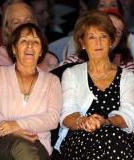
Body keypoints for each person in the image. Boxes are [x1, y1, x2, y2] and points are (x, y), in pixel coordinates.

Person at [54, 10, 134, 159]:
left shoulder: (128, 77)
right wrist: (85, 122)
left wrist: (105, 122)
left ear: (111, 41)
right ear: (82, 42)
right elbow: (67, 115)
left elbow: (129, 116)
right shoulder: (71, 74)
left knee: (114, 138)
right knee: (115, 141)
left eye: (103, 36)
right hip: (79, 138)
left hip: (117, 138)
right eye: (91, 37)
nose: (98, 42)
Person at [0, 23, 62, 160]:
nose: (30, 45)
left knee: (30, 151)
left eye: (35, 42)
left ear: (41, 51)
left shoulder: (52, 80)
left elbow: (52, 119)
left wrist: (17, 125)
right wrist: (12, 131)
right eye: (24, 41)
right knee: (22, 148)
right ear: (14, 48)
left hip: (38, 141)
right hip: (0, 140)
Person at [0, 2, 59, 72]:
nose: (23, 27)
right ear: (7, 30)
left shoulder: (49, 60)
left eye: (28, 21)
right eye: (16, 22)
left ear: (35, 27)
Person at [64, 9, 134, 71]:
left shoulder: (125, 66)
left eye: (117, 32)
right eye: (92, 37)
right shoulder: (72, 64)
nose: (113, 35)